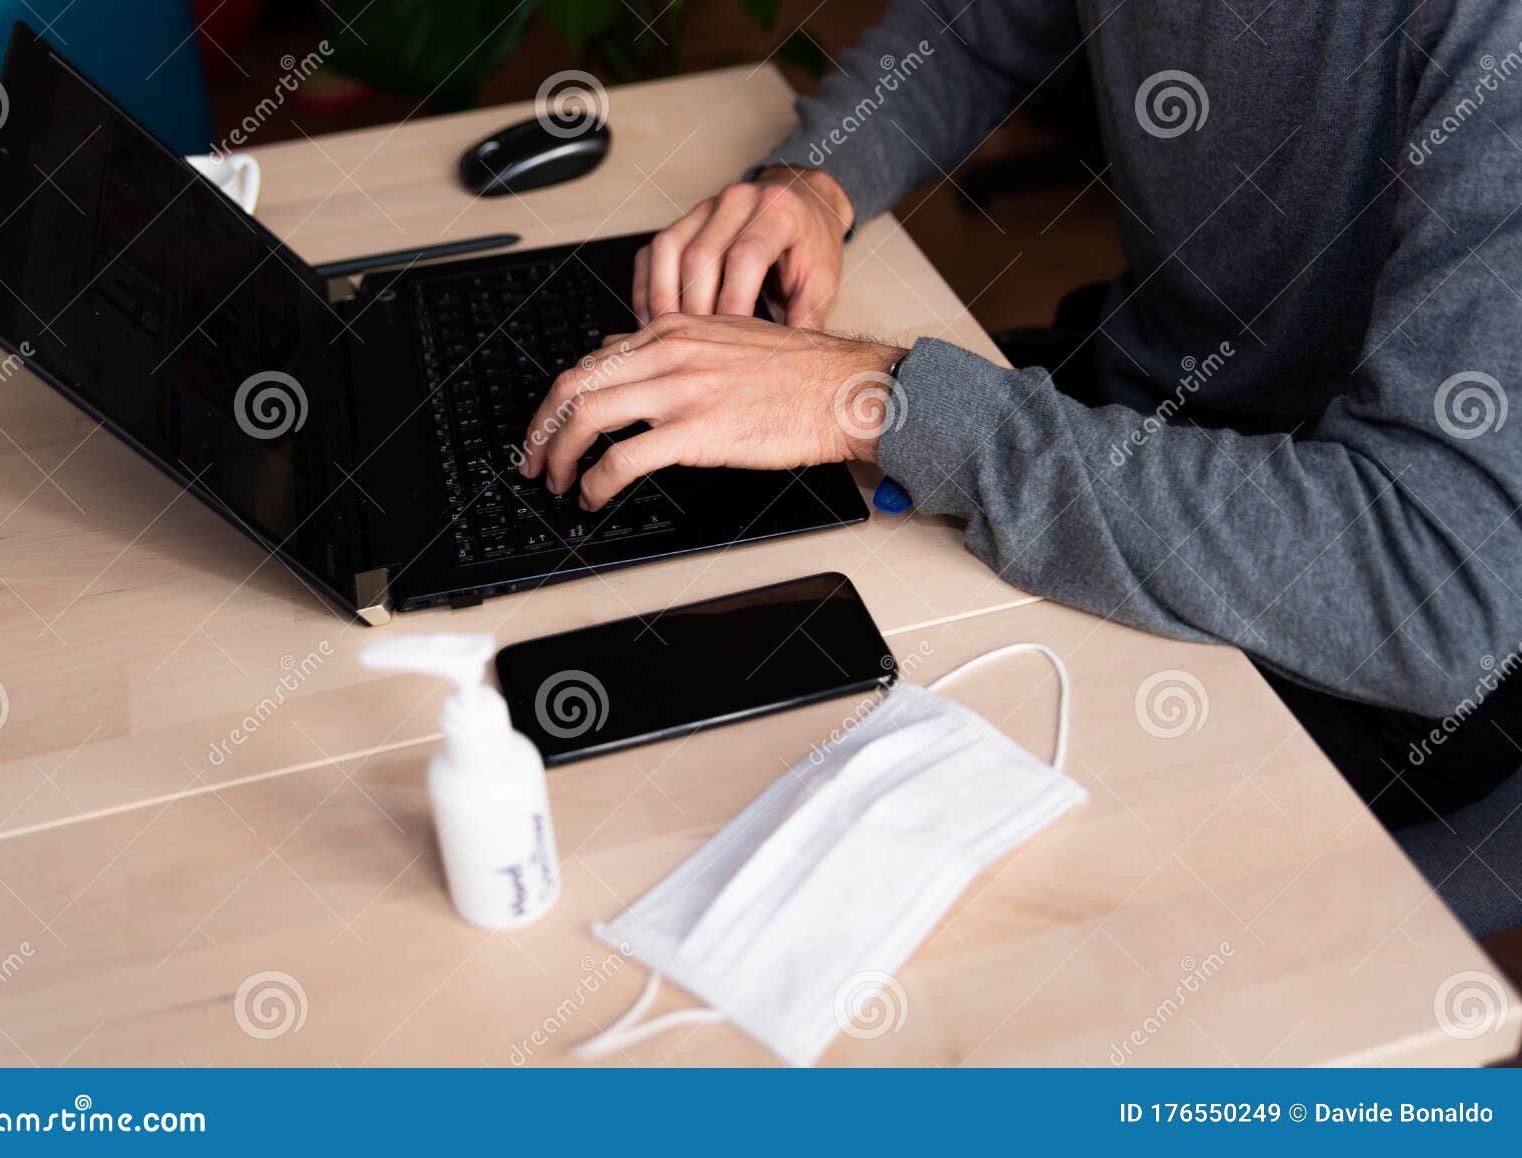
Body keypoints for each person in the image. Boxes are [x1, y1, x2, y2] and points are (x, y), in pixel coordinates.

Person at [520, 1, 1522, 830]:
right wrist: (817, 183)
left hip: (1348, 624)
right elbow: (973, 29)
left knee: (807, 824)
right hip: (1134, 412)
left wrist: (878, 398)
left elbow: (1431, 589)